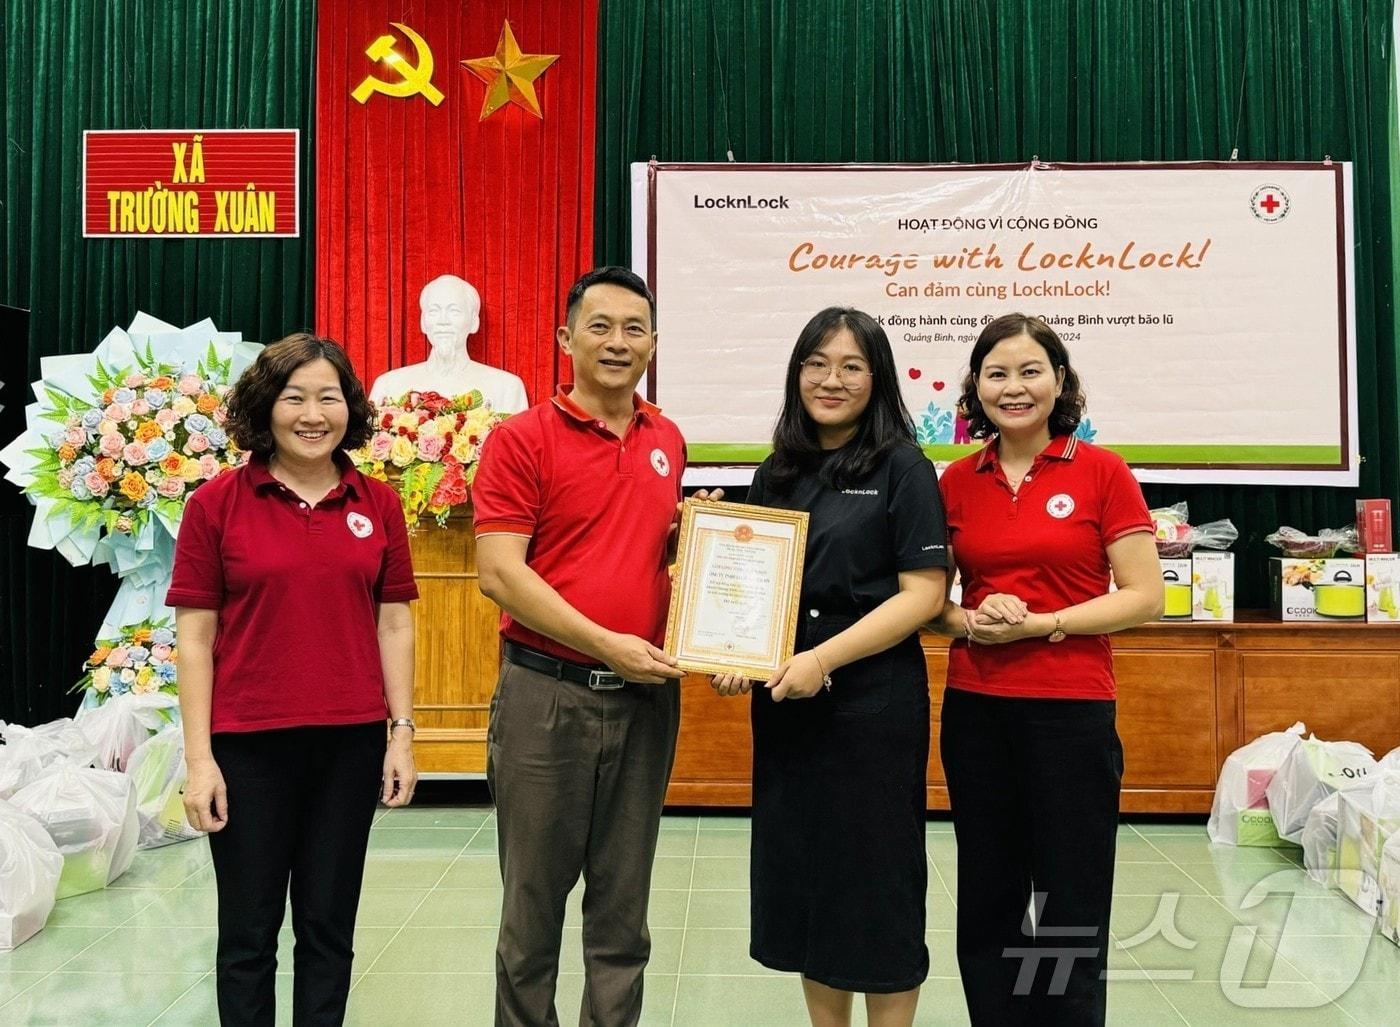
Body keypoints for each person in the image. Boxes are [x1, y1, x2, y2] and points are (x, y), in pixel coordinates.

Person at [473, 266, 717, 1027]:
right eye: (600, 325)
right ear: (565, 338)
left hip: (646, 702)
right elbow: (500, 574)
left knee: (623, 913)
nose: (618, 341)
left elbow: (638, 547)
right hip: (546, 698)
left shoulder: (666, 437)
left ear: (653, 342)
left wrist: (694, 540)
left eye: (634, 328)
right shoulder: (521, 441)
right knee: (532, 915)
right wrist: (607, 642)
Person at [169, 333, 419, 1026]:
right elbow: (194, 639)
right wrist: (200, 760)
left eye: (330, 397)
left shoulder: (379, 502)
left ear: (351, 409)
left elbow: (394, 623)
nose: (314, 414)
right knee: (247, 938)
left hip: (350, 745)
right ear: (264, 406)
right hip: (247, 747)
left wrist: (401, 734)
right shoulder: (217, 503)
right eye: (295, 397)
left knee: (328, 931)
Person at [710, 307, 950, 1027]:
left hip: (872, 708)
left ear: (875, 378)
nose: (832, 379)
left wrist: (822, 657)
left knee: (877, 884)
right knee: (808, 882)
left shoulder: (903, 467)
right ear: (797, 373)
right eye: (817, 363)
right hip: (789, 708)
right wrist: (735, 655)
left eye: (851, 365)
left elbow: (924, 595)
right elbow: (756, 591)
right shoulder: (776, 470)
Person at [931, 314, 1162, 1025]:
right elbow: (927, 601)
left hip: (1071, 712)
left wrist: (1044, 624)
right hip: (977, 707)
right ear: (976, 388)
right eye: (997, 373)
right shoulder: (953, 480)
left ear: (1059, 381)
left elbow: (1144, 595)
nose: (1014, 387)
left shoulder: (1101, 471)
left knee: (1069, 899)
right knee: (991, 896)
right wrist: (971, 620)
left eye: (1031, 370)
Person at [369, 273, 529, 413]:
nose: (443, 321)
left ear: (474, 322)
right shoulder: (388, 386)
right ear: (423, 322)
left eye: (454, 311)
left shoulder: (507, 388)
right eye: (434, 311)